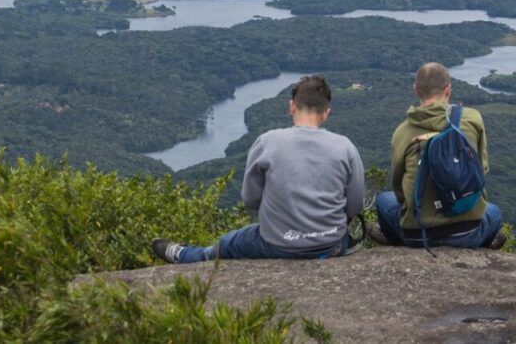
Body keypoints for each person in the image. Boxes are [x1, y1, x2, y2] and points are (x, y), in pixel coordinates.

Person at [152, 75, 365, 263]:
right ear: (326, 113)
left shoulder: (268, 142)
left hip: (277, 244)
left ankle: (186, 256)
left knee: (228, 243)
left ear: (292, 106)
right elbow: (355, 205)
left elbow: (250, 198)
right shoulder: (345, 147)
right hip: (332, 245)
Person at [368, 62, 505, 249]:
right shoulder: (472, 119)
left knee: (385, 200)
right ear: (448, 90)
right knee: (494, 212)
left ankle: (397, 242)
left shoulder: (402, 132)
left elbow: (399, 188)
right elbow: (482, 169)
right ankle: (480, 246)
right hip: (467, 232)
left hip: (418, 235)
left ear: (415, 90)